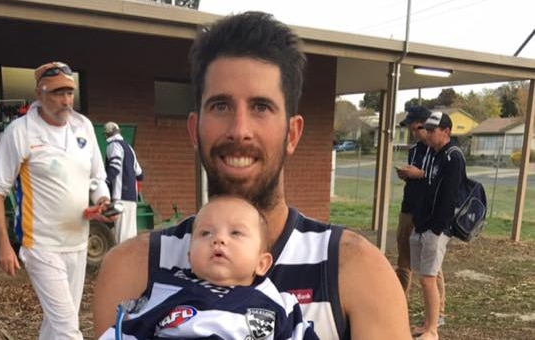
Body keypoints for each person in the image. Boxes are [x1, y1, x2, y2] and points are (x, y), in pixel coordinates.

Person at [93, 11, 411, 340]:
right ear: (194, 129)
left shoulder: (356, 270)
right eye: (220, 105)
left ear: (292, 133)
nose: (239, 130)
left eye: (261, 106)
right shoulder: (134, 267)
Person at [0, 61, 115, 340]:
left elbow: (97, 177)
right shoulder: (20, 132)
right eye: (57, 93)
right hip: (41, 246)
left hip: (78, 244)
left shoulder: (84, 127)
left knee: (55, 324)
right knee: (68, 329)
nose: (65, 100)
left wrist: (102, 200)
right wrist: (3, 244)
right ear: (39, 94)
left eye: (69, 92)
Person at [98, 195, 319, 340]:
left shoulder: (280, 304)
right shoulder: (165, 291)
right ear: (190, 256)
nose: (219, 239)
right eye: (206, 233)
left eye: (236, 233)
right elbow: (125, 333)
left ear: (262, 264)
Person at [411, 111, 464, 340]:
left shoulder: (453, 157)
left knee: (428, 278)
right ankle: (427, 322)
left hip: (437, 228)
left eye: (433, 131)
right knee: (424, 278)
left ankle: (433, 329)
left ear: (446, 132)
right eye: (427, 130)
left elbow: (449, 197)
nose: (429, 135)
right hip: (423, 224)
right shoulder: (434, 154)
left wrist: (436, 229)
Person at [395, 106, 446, 324]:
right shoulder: (415, 149)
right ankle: (398, 302)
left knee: (430, 265)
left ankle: (439, 311)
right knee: (404, 259)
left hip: (425, 214)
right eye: (411, 129)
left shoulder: (440, 152)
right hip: (408, 209)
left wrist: (420, 174)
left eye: (416, 128)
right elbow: (416, 177)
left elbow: (440, 181)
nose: (414, 133)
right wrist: (407, 175)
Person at [103, 121, 144, 243]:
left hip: (120, 196)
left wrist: (104, 183)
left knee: (120, 235)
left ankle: (121, 261)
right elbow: (140, 174)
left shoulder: (113, 145)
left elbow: (115, 167)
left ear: (108, 134)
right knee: (131, 234)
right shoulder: (129, 148)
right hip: (132, 197)